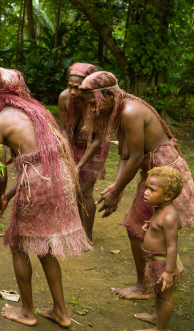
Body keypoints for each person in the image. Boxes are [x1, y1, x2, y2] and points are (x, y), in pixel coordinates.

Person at [0, 68, 92, 328]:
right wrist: (8, 197)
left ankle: (27, 312)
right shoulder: (39, 112)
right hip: (60, 177)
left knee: (19, 245)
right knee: (45, 247)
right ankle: (61, 312)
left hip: (38, 182)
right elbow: (34, 161)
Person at [79, 71, 193, 299]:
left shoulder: (130, 111)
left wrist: (117, 191)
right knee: (139, 226)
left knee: (140, 227)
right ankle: (154, 281)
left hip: (165, 172)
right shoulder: (119, 109)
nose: (91, 109)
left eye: (94, 103)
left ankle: (150, 284)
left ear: (109, 95)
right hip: (154, 172)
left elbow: (137, 157)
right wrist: (115, 187)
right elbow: (124, 155)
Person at [134, 167, 184, 331]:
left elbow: (172, 246)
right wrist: (151, 225)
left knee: (165, 297)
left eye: (152, 190)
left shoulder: (169, 216)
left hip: (163, 263)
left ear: (168, 195)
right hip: (155, 261)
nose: (145, 192)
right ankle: (156, 316)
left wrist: (169, 272)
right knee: (158, 292)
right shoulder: (160, 208)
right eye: (146, 187)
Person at [58, 62, 103, 241]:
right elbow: (63, 127)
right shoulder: (64, 98)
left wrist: (81, 163)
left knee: (85, 190)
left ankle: (87, 234)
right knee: (74, 189)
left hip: (93, 146)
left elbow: (99, 138)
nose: (73, 92)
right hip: (72, 143)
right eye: (70, 86)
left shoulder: (98, 102)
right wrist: (67, 150)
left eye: (78, 88)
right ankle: (78, 226)